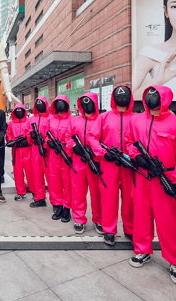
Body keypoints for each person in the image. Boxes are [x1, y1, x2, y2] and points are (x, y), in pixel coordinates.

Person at [125, 86, 176, 286]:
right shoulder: (136, 120)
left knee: (170, 222)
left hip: (167, 178)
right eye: (149, 95)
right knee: (141, 215)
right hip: (143, 177)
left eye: (156, 96)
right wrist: (137, 156)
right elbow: (129, 142)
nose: (152, 99)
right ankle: (142, 250)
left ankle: (175, 261)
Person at [99, 85, 136, 245]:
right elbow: (93, 138)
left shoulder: (136, 118)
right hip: (109, 164)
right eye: (119, 94)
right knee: (109, 198)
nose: (122, 97)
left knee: (130, 199)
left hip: (130, 165)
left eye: (125, 94)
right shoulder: (104, 117)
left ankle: (131, 228)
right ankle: (109, 229)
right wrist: (103, 153)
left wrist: (134, 156)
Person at [68, 93, 104, 235]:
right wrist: (73, 146)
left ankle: (99, 219)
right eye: (84, 103)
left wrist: (97, 152)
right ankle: (79, 218)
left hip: (95, 161)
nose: (87, 106)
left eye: (89, 103)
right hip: (78, 161)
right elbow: (68, 137)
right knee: (78, 191)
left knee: (97, 193)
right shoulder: (74, 121)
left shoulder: (101, 120)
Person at [47, 95, 74, 223]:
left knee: (67, 183)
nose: (60, 105)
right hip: (53, 155)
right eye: (57, 102)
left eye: (63, 102)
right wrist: (49, 143)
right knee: (54, 181)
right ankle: (57, 206)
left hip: (66, 155)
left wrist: (66, 147)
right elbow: (46, 136)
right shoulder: (50, 119)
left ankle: (67, 208)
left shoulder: (72, 120)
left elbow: (74, 138)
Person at [26, 97, 50, 208]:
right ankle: (40, 198)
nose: (40, 105)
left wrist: (45, 143)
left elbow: (52, 134)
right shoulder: (31, 119)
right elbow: (28, 136)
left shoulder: (50, 118)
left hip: (48, 151)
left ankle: (56, 202)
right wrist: (31, 136)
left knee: (51, 177)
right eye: (38, 103)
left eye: (42, 103)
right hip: (35, 150)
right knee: (36, 175)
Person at [6, 103, 32, 201]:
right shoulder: (11, 124)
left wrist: (27, 141)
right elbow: (8, 135)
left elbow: (31, 133)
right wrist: (12, 142)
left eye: (21, 110)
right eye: (17, 111)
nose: (19, 112)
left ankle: (33, 191)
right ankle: (21, 192)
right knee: (18, 173)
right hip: (16, 151)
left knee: (30, 172)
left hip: (28, 150)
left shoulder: (29, 122)